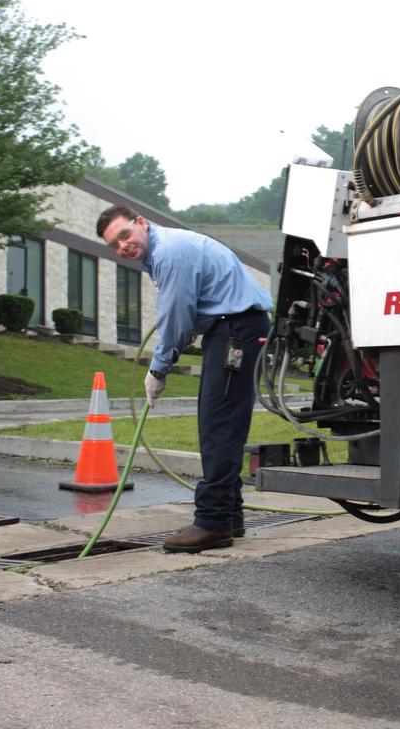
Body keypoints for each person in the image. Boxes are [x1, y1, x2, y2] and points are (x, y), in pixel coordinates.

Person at [96, 206, 273, 553]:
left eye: (124, 235)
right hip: (235, 328)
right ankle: (229, 515)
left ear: (141, 224)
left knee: (218, 423)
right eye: (114, 246)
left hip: (235, 330)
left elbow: (175, 316)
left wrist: (159, 368)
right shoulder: (166, 250)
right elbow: (188, 310)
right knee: (226, 423)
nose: (123, 247)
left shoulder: (170, 254)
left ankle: (212, 523)